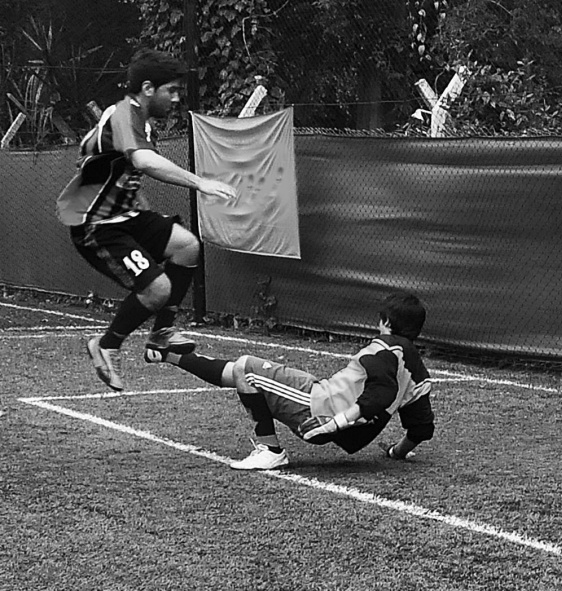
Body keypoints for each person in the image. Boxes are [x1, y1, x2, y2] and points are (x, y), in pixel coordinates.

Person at [56, 48, 237, 392]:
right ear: (149, 88)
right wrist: (200, 182)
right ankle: (106, 345)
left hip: (125, 216)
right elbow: (144, 162)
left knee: (187, 246)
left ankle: (161, 335)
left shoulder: (143, 122)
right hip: (96, 225)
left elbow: (125, 177)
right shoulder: (124, 113)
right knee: (158, 289)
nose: (177, 97)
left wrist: (147, 216)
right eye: (172, 90)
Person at [144, 291, 435, 470]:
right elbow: (421, 427)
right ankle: (167, 355)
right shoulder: (415, 369)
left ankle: (270, 451)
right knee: (240, 371)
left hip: (318, 409)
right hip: (320, 394)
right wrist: (398, 452)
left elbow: (380, 394)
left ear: (385, 323)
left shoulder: (383, 349)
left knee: (247, 367)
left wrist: (337, 423)